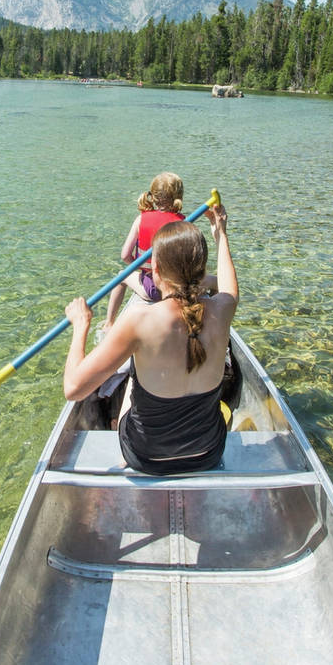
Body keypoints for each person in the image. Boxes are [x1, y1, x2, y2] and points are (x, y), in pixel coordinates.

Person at [64, 202, 238, 474]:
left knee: (135, 370)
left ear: (155, 271)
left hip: (145, 456)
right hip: (209, 452)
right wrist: (220, 233)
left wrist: (80, 326)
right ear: (203, 271)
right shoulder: (223, 308)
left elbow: (73, 388)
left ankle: (114, 426)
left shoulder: (138, 320)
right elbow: (228, 283)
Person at [101, 171, 186, 335]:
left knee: (121, 276)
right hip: (179, 289)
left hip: (154, 289)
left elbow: (125, 255)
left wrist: (142, 268)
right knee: (214, 281)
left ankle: (109, 324)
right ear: (179, 196)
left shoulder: (141, 219)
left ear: (153, 196)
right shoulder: (183, 223)